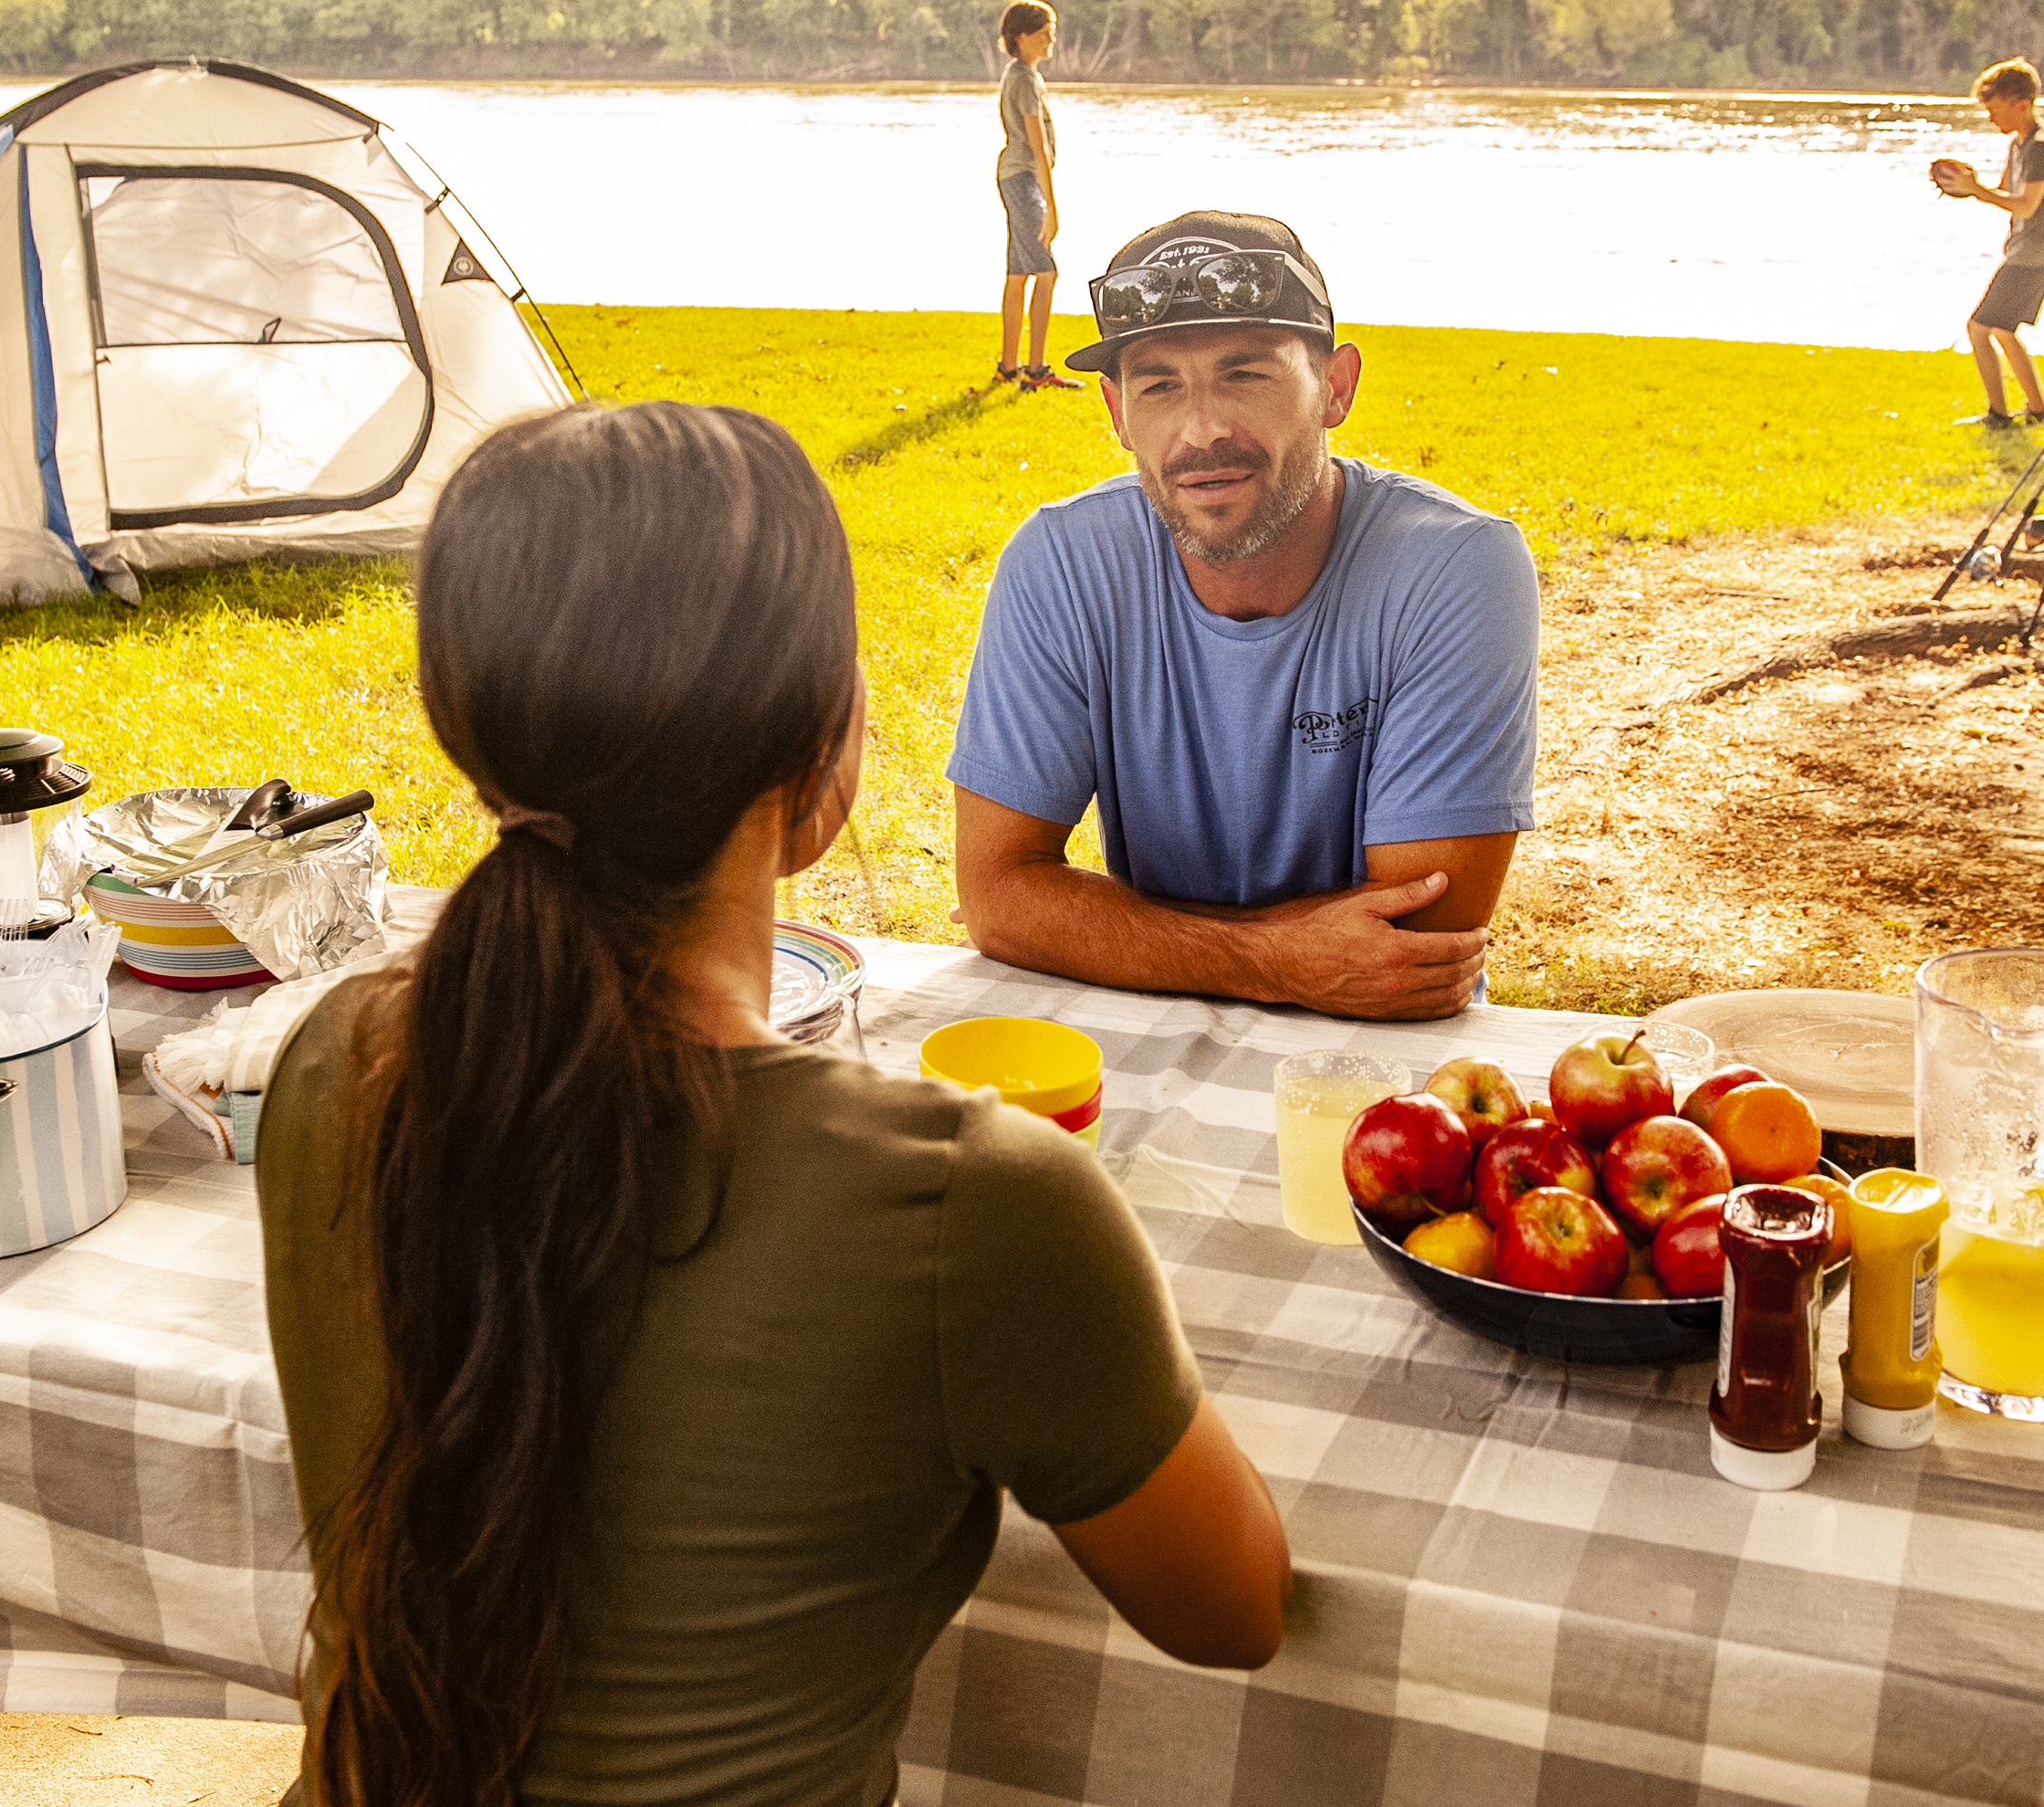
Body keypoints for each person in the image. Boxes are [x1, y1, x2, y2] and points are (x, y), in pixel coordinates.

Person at [257, 401, 1289, 1807]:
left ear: (475, 733)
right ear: (823, 759)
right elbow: (1234, 1611)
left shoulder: (336, 1063)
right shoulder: (976, 1205)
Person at [946, 211, 1539, 1023]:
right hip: (1157, 1024)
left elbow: (1413, 942)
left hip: (1387, 1055)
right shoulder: (1061, 561)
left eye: (1246, 374)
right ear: (1117, 413)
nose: (1203, 430)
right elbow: (997, 894)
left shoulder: (1457, 567)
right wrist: (1275, 958)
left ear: (1335, 386)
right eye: (1159, 385)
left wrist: (1118, 932)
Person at [1931, 57, 2044, 429]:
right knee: (2004, 330)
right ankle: (2039, 411)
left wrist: (1976, 191)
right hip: (2029, 251)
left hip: (2034, 254)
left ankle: (1999, 415)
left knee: (1979, 328)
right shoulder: (2019, 143)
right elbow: (2006, 191)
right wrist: (1967, 183)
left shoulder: (2041, 146)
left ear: (2021, 105)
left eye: (1994, 110)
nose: (1991, 118)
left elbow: (2026, 204)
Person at [992, 0, 1082, 392]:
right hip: (1023, 178)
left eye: (1053, 31)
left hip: (1014, 177)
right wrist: (1052, 209)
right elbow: (1037, 147)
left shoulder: (1022, 74)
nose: (1051, 39)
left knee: (1018, 273)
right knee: (1046, 272)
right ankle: (1036, 371)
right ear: (1022, 36)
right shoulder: (1024, 79)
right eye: (1044, 32)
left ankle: (1009, 369)